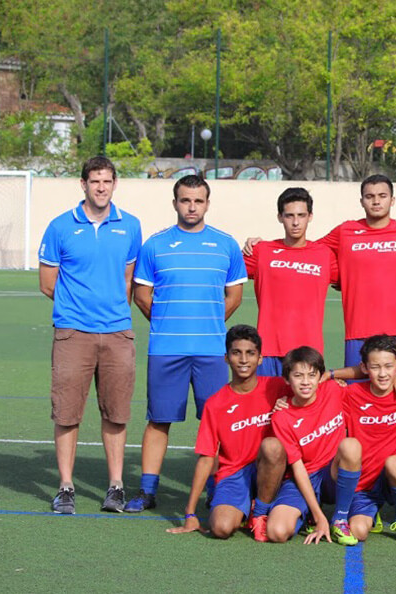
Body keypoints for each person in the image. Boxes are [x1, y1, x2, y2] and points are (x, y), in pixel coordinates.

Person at [125, 175, 247, 513]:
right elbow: (142, 294)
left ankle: (216, 487)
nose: (191, 207)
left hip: (211, 351)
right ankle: (148, 491)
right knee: (158, 419)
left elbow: (234, 295)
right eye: (185, 200)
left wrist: (206, 323)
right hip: (166, 350)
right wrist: (167, 321)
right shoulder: (156, 244)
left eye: (198, 201)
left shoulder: (225, 244)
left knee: (216, 422)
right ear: (175, 202)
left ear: (207, 203)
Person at [38, 156, 142, 514]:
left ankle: (116, 487)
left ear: (115, 184)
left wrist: (112, 312)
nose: (101, 187)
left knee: (116, 413)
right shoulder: (60, 227)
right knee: (67, 414)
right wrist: (77, 309)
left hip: (117, 334)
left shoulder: (130, 226)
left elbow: (128, 279)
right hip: (72, 333)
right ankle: (65, 486)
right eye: (95, 181)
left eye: (107, 181)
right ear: (83, 184)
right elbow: (47, 283)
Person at [166, 325, 288, 539]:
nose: (243, 360)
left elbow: (311, 388)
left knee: (272, 447)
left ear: (260, 359)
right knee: (220, 528)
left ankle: (259, 513)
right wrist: (190, 512)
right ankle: (244, 504)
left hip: (269, 468)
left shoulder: (277, 387)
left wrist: (336, 379)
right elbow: (206, 458)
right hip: (234, 473)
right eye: (236, 353)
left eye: (250, 353)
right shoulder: (215, 404)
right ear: (226, 358)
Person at [250, 347, 362, 545]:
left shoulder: (334, 390)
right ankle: (310, 514)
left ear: (320, 377)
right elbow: (298, 468)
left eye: (312, 375)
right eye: (298, 375)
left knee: (351, 446)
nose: (305, 382)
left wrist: (334, 374)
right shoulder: (281, 416)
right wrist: (319, 517)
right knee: (277, 532)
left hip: (331, 474)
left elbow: (368, 370)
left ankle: (340, 519)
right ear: (287, 379)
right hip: (304, 477)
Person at [318, 174, 396, 367]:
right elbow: (308, 251)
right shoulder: (345, 231)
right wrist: (259, 244)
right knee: (356, 396)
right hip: (359, 333)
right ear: (361, 201)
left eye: (382, 196)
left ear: (392, 200)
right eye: (370, 196)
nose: (376, 201)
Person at [243, 187, 338, 376]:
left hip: (308, 353)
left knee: (304, 406)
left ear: (310, 216)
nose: (295, 222)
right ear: (280, 217)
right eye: (289, 216)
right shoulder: (261, 251)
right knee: (266, 406)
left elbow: (358, 277)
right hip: (268, 352)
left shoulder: (325, 255)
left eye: (301, 215)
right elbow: (220, 269)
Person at [342, 335, 396, 544]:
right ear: (364, 367)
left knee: (394, 463)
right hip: (365, 484)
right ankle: (374, 512)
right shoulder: (350, 394)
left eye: (388, 366)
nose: (382, 373)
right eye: (375, 367)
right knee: (358, 532)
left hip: (395, 473)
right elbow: (314, 394)